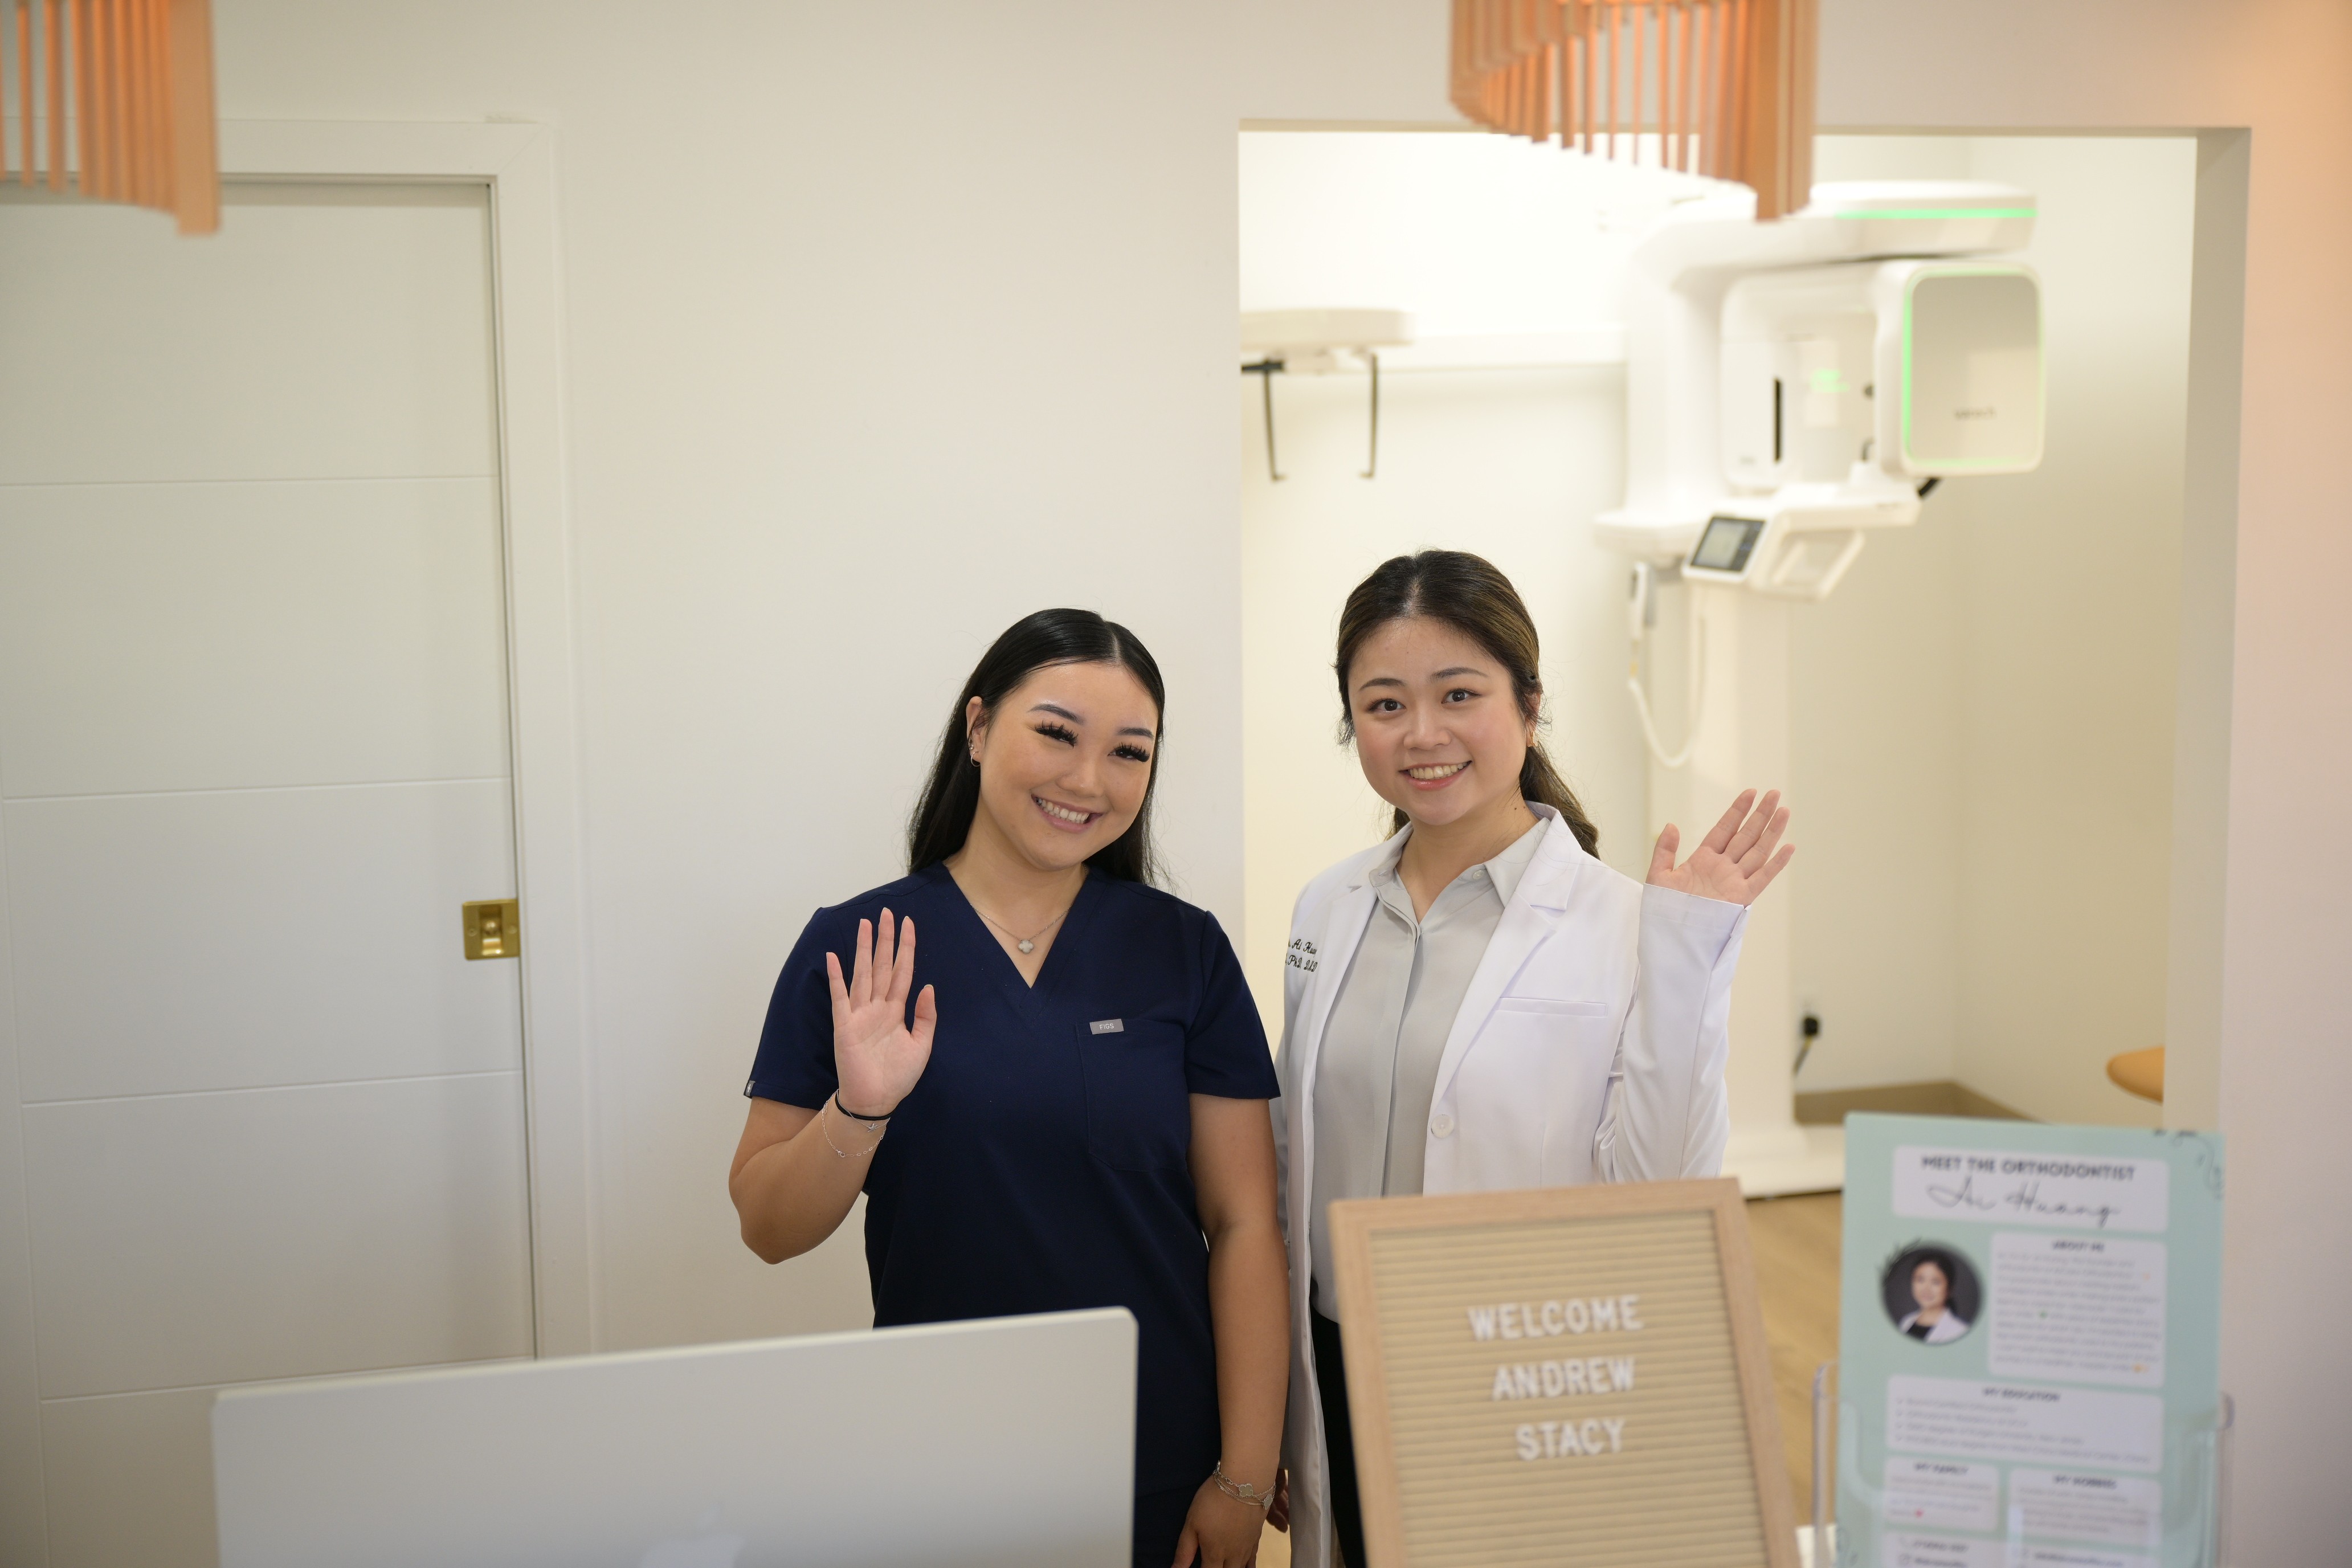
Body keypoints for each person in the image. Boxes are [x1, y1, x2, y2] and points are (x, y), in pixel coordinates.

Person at [729, 610, 1288, 1568]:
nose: (1086, 779)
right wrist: (857, 1110)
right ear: (979, 727)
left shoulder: (1182, 951)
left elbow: (1242, 1220)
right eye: (1056, 733)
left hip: (1155, 1455)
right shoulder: (859, 948)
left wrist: (1242, 1473)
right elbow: (767, 1227)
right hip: (939, 1457)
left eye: (1127, 752)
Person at [1272, 551, 1794, 1568]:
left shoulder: (1625, 924)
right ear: (1351, 723)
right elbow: (1290, 1149)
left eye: (1457, 694)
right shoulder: (1326, 906)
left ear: (1529, 702)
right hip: (1332, 1354)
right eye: (1383, 703)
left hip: (1508, 1363)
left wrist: (1687, 957)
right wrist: (1273, 1409)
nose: (1421, 734)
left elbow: (1661, 1190)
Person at [1897, 1253, 1971, 1344]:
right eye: (1920, 1280)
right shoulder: (1906, 1322)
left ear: (1949, 1289)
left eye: (1936, 1282)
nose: (1926, 1288)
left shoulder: (1959, 1331)